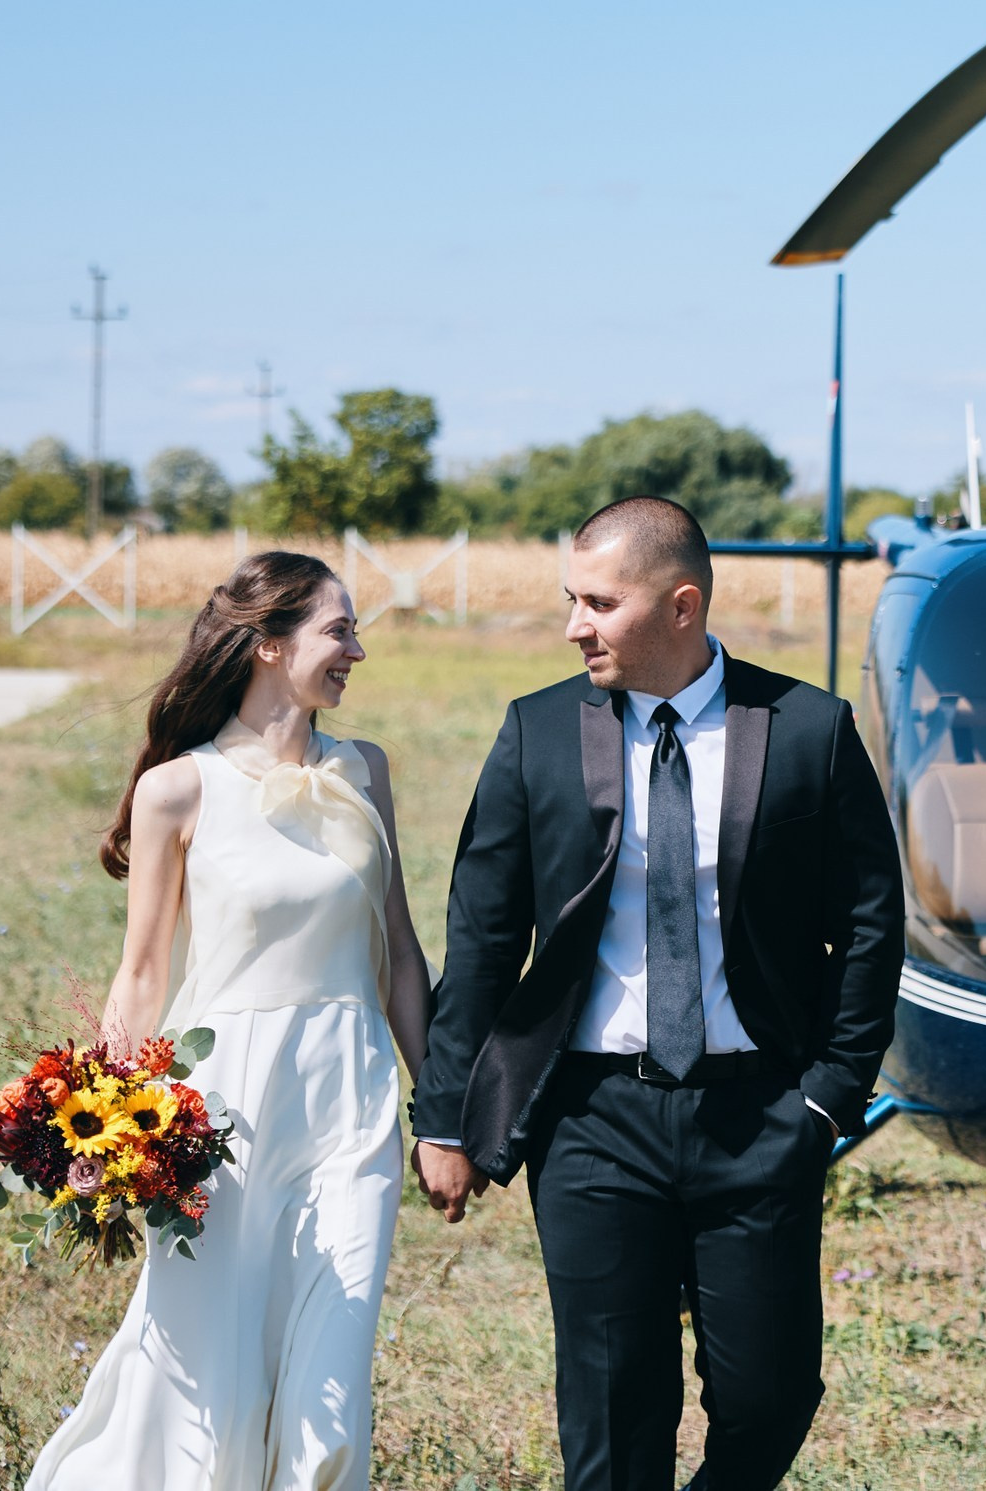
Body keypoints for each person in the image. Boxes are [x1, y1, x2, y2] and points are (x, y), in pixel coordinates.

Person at [411, 496, 904, 1491]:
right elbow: (481, 942)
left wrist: (829, 1095)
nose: (572, 626)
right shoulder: (536, 734)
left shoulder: (806, 729)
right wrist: (444, 1116)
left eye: (598, 602)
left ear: (680, 605)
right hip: (590, 1117)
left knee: (770, 1393)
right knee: (610, 1407)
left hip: (762, 1110)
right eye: (570, 600)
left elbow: (870, 924)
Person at [30, 551, 435, 1491]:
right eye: (340, 630)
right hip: (221, 1116)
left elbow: (402, 955)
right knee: (206, 1372)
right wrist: (109, 1129)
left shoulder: (364, 771)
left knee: (331, 1382)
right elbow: (141, 976)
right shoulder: (179, 789)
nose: (358, 650)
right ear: (266, 645)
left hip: (352, 1099)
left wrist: (444, 1108)